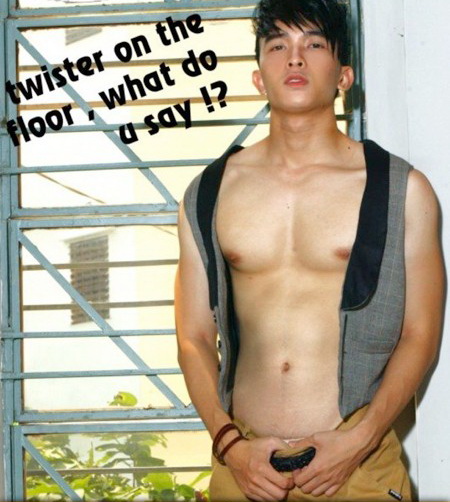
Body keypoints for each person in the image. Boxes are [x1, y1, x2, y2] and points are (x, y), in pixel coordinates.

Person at [174, 0, 445, 500]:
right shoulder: (209, 191)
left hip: (358, 465)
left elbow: (421, 334)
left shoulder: (403, 190)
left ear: (344, 75)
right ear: (259, 77)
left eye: (313, 44)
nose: (294, 58)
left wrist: (360, 441)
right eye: (278, 45)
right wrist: (229, 445)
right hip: (245, 467)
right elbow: (193, 337)